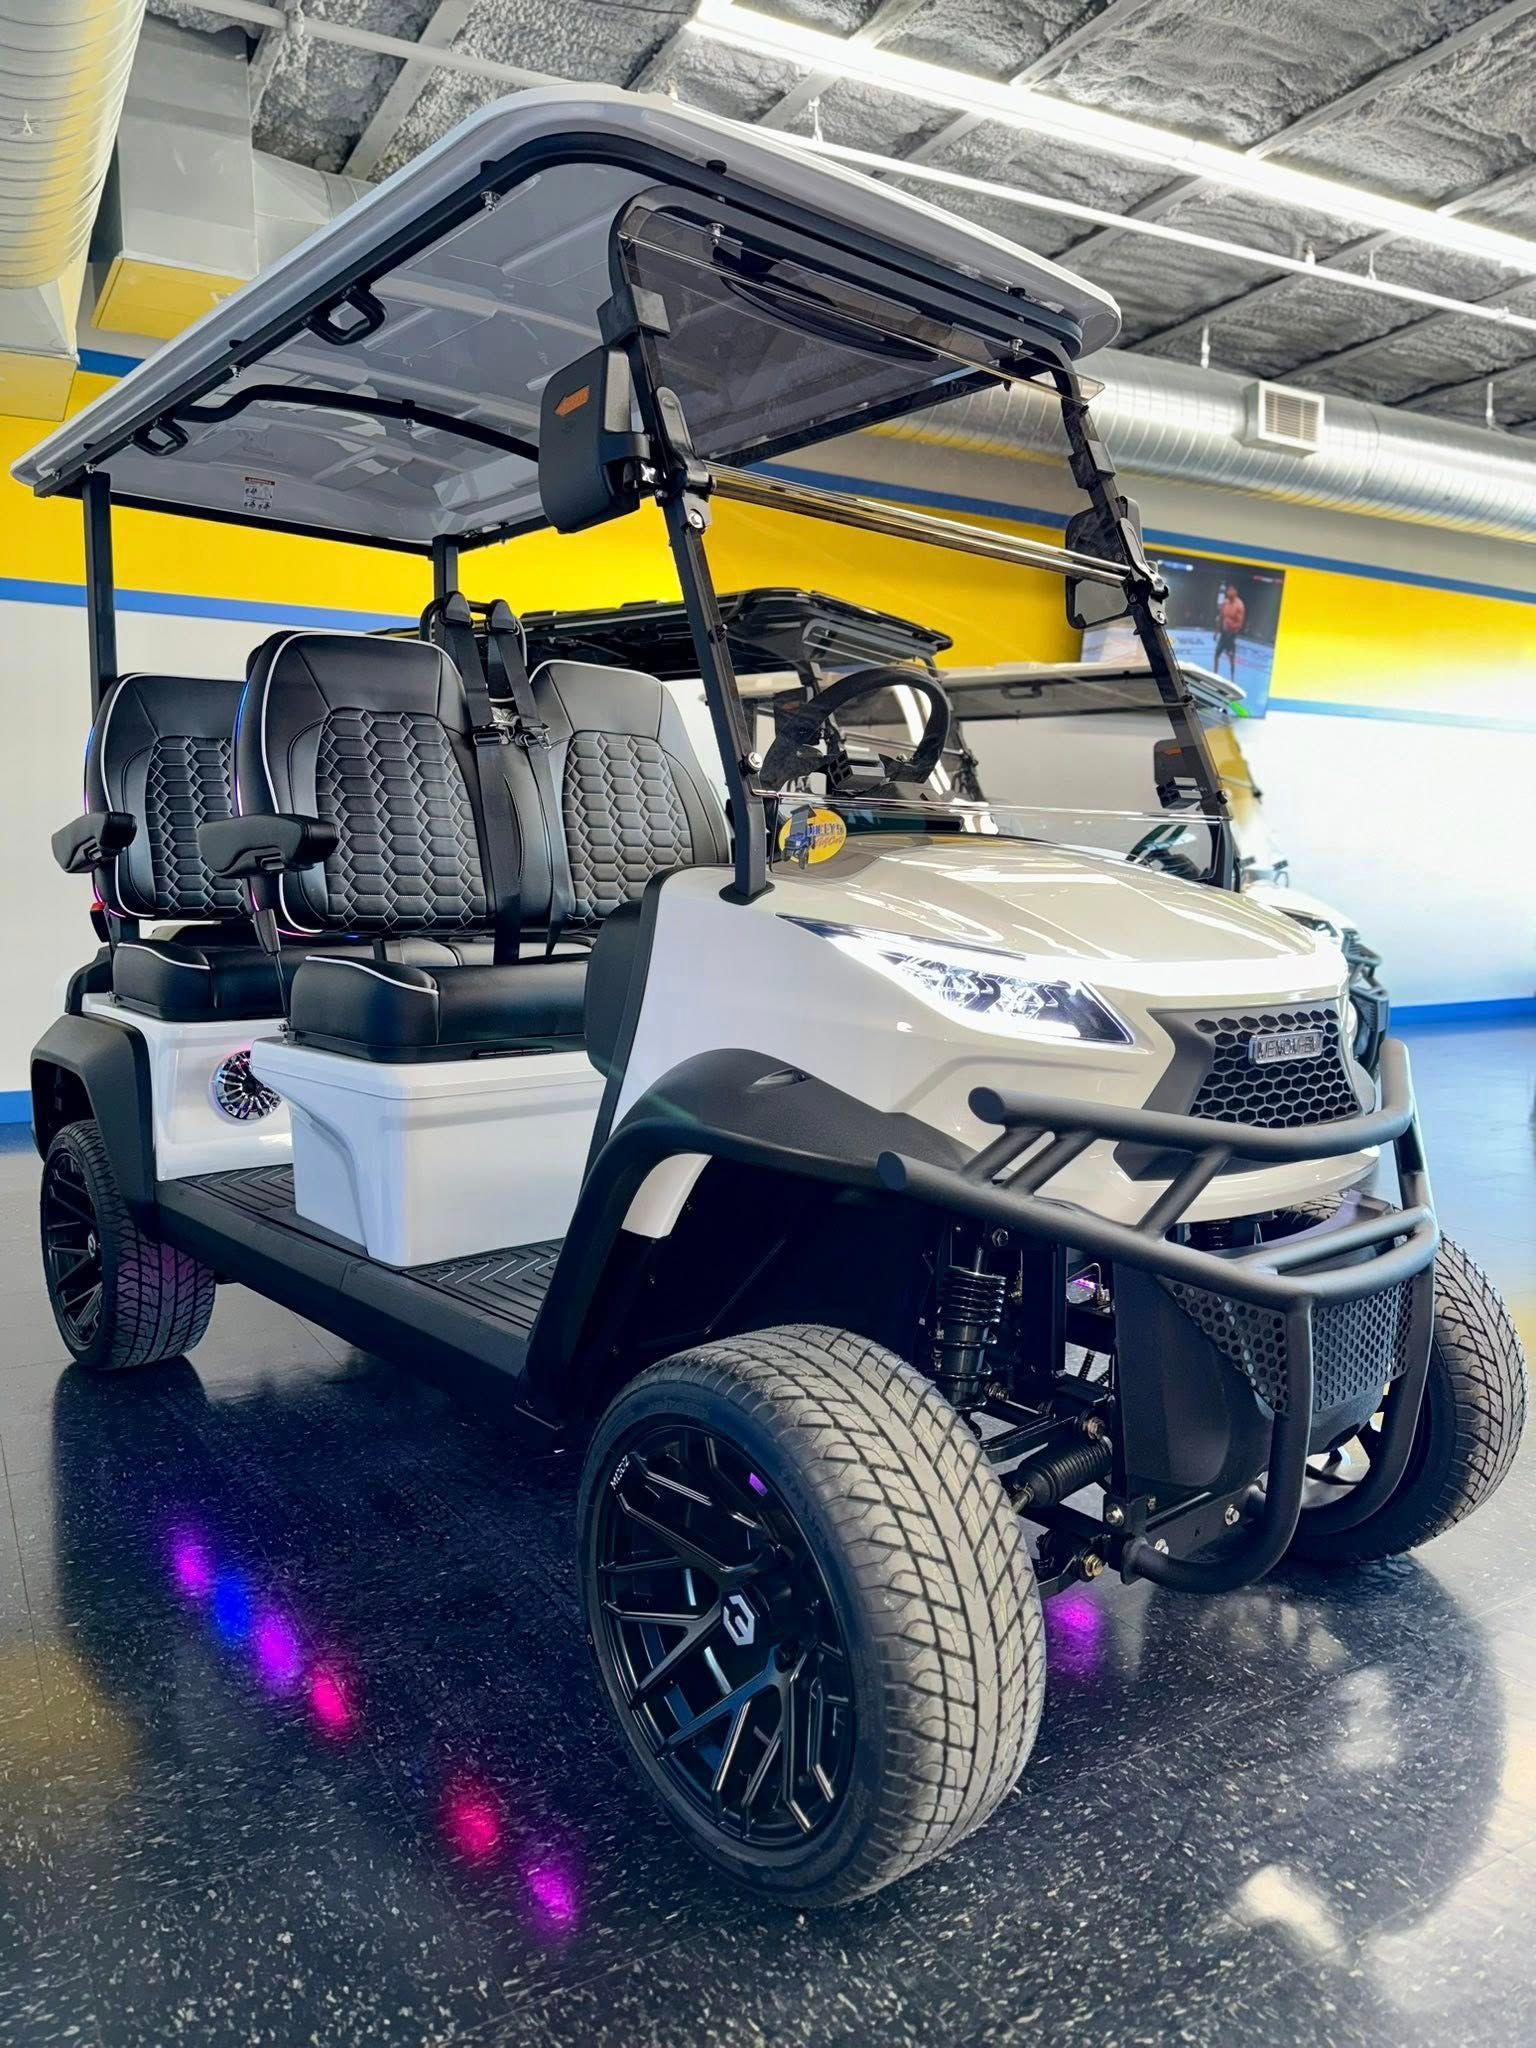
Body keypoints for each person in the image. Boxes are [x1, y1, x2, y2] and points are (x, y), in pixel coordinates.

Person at [1213, 580, 1245, 681]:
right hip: (1223, 633)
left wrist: (1230, 626)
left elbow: (1239, 624)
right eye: (1228, 590)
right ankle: (1214, 675)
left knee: (1231, 657)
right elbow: (1220, 618)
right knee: (1216, 654)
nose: (1229, 592)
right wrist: (1216, 632)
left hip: (1231, 635)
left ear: (1235, 591)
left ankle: (1232, 678)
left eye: (1231, 590)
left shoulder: (1239, 606)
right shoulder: (1225, 603)